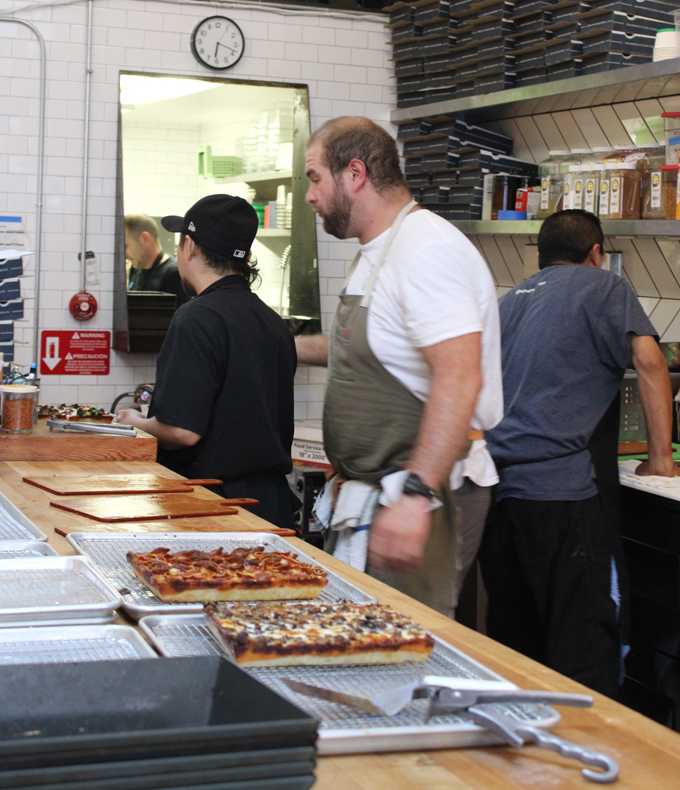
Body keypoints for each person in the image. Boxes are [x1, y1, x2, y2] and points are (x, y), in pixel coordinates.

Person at [296, 116, 503, 617]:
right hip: (378, 492)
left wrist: (415, 493)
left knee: (405, 649)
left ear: (355, 174)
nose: (309, 195)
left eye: (314, 177)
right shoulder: (377, 253)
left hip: (429, 495)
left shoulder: (425, 249)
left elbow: (460, 374)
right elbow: (365, 347)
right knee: (362, 646)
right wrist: (277, 345)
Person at [480, 209, 679, 698]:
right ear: (597, 254)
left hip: (497, 500)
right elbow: (651, 362)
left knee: (518, 652)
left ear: (542, 255)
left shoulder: (510, 302)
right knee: (586, 651)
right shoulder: (605, 288)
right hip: (561, 501)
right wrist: (662, 460)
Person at [117, 194, 297, 527]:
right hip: (270, 508)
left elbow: (183, 432)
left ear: (190, 246)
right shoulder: (272, 322)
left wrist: (134, 423)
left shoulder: (195, 317)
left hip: (212, 506)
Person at [124, 212, 189, 308]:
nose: (124, 254)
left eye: (126, 246)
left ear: (144, 239)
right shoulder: (135, 271)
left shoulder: (174, 274)